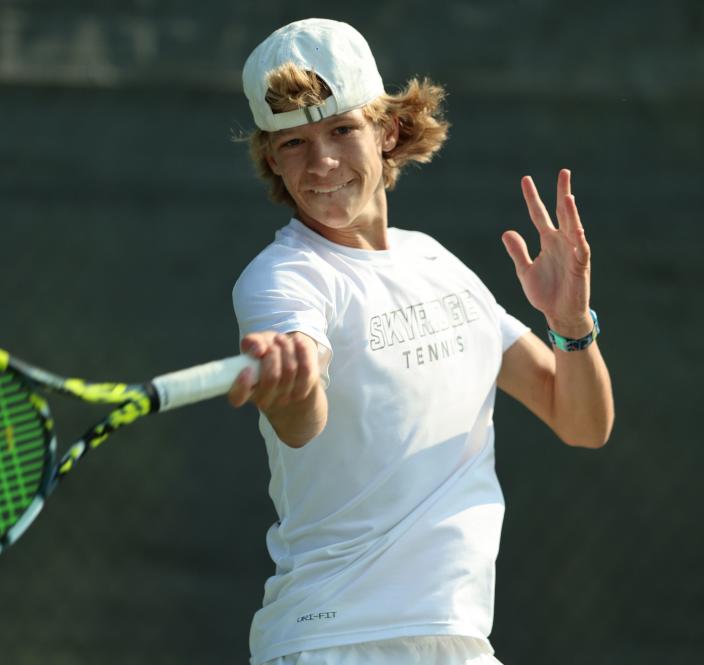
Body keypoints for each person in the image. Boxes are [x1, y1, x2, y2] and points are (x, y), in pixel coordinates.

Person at [226, 18, 614, 665]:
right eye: (293, 143)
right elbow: (303, 417)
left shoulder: (437, 264)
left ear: (387, 130)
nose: (320, 163)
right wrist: (292, 384)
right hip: (335, 641)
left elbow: (581, 420)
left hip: (460, 640)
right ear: (272, 158)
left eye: (341, 130)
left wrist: (572, 325)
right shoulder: (281, 279)